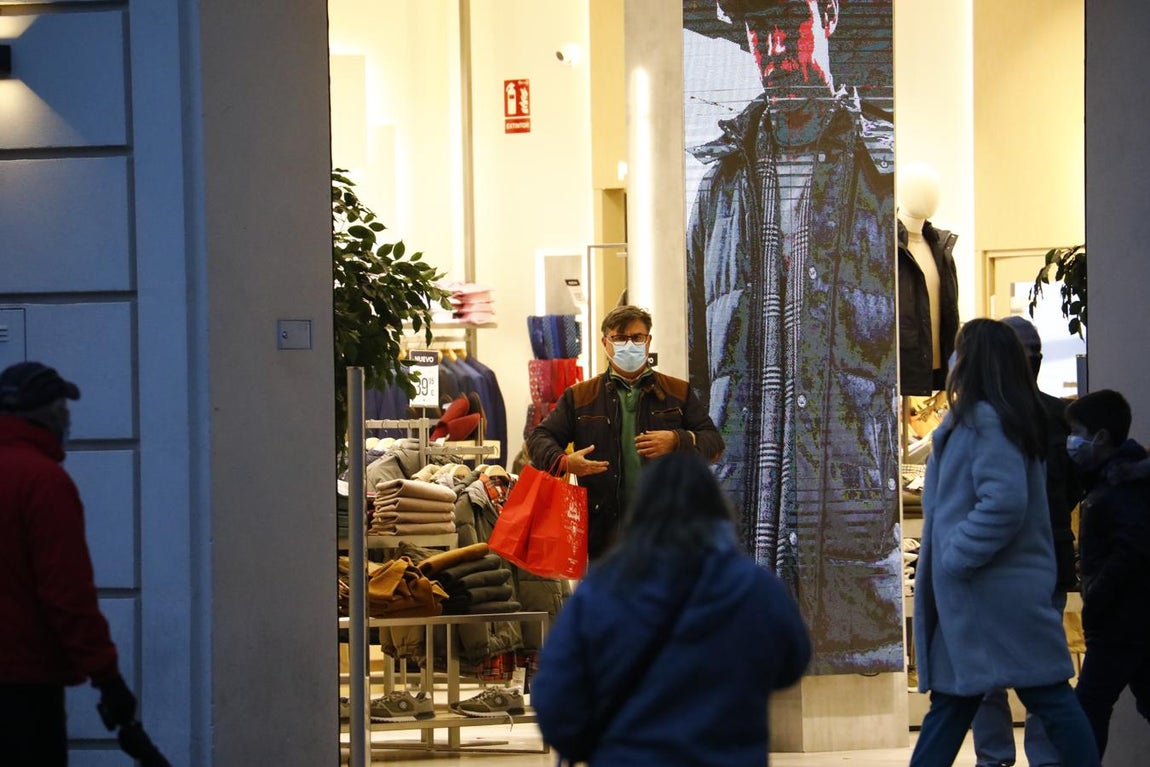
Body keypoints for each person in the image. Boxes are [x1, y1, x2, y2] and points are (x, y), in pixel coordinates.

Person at [686, 0, 900, 673]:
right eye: (758, 31)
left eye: (790, 24)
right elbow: (700, 352)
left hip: (847, 503)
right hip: (744, 489)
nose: (774, 46)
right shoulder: (720, 180)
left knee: (844, 657)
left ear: (829, 15)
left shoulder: (879, 170)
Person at [531, 452, 811, 765]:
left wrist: (592, 746)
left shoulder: (601, 591)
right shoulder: (755, 588)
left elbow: (555, 698)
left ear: (641, 510)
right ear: (718, 510)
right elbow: (792, 664)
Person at [910, 319, 1099, 767]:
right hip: (989, 595)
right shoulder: (998, 417)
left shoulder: (987, 421)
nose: (951, 362)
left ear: (972, 361)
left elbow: (1004, 502)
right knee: (967, 699)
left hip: (989, 593)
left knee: (1034, 696)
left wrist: (956, 555)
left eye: (958, 351)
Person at [0, 361, 139, 765]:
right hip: (23, 687)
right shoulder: (43, 482)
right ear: (51, 415)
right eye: (64, 410)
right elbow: (67, 595)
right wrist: (107, 679)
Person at [971, 315, 1083, 767]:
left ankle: (1016, 758)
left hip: (1031, 562)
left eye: (1035, 353)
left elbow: (1072, 485)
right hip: (1022, 560)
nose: (1032, 361)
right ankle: (1009, 758)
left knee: (1023, 670)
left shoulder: (1050, 417)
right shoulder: (995, 418)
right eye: (1027, 353)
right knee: (1010, 672)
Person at [526, 305, 724, 560]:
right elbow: (539, 438)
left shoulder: (677, 392)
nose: (629, 344)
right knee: (611, 599)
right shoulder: (581, 397)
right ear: (605, 343)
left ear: (648, 340)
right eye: (620, 338)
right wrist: (564, 462)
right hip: (604, 533)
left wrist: (678, 440)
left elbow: (714, 443)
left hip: (670, 530)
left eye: (637, 337)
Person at [1064, 389, 1150, 758]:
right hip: (1128, 618)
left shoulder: (1121, 485)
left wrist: (1096, 592)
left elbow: (1132, 548)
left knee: (1088, 707)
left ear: (1100, 437)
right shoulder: (1112, 478)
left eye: (1077, 430)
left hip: (1120, 620)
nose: (1072, 441)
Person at [897, 162, 960, 396]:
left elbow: (950, 314)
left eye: (934, 189)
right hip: (902, 370)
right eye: (921, 188)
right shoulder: (887, 248)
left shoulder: (940, 249)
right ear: (901, 192)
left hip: (937, 366)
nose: (931, 197)